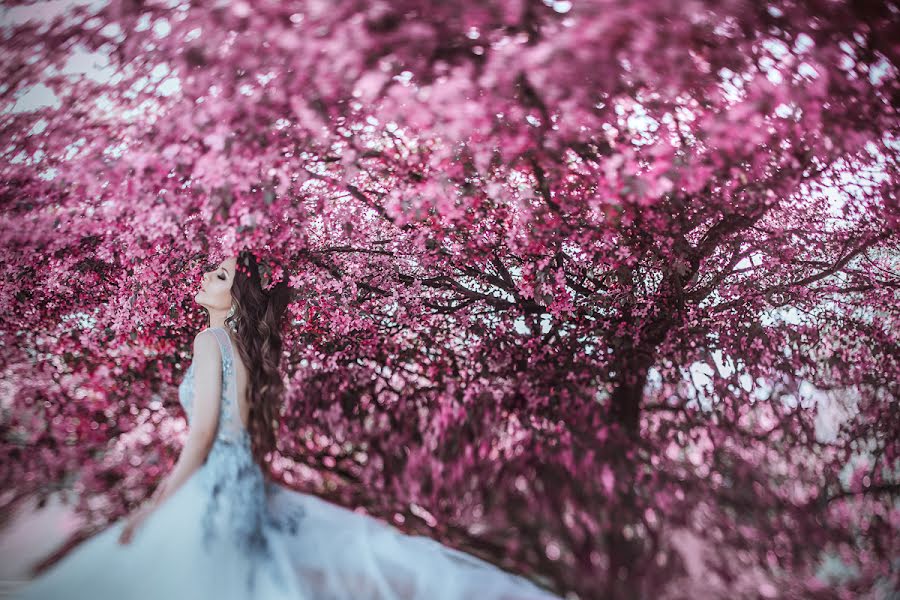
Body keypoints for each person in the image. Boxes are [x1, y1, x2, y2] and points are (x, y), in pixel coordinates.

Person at [10, 250, 563, 600]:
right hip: (244, 481)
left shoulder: (211, 341)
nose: (207, 275)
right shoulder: (246, 351)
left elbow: (202, 435)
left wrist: (155, 502)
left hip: (218, 486)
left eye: (220, 273)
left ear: (236, 294)